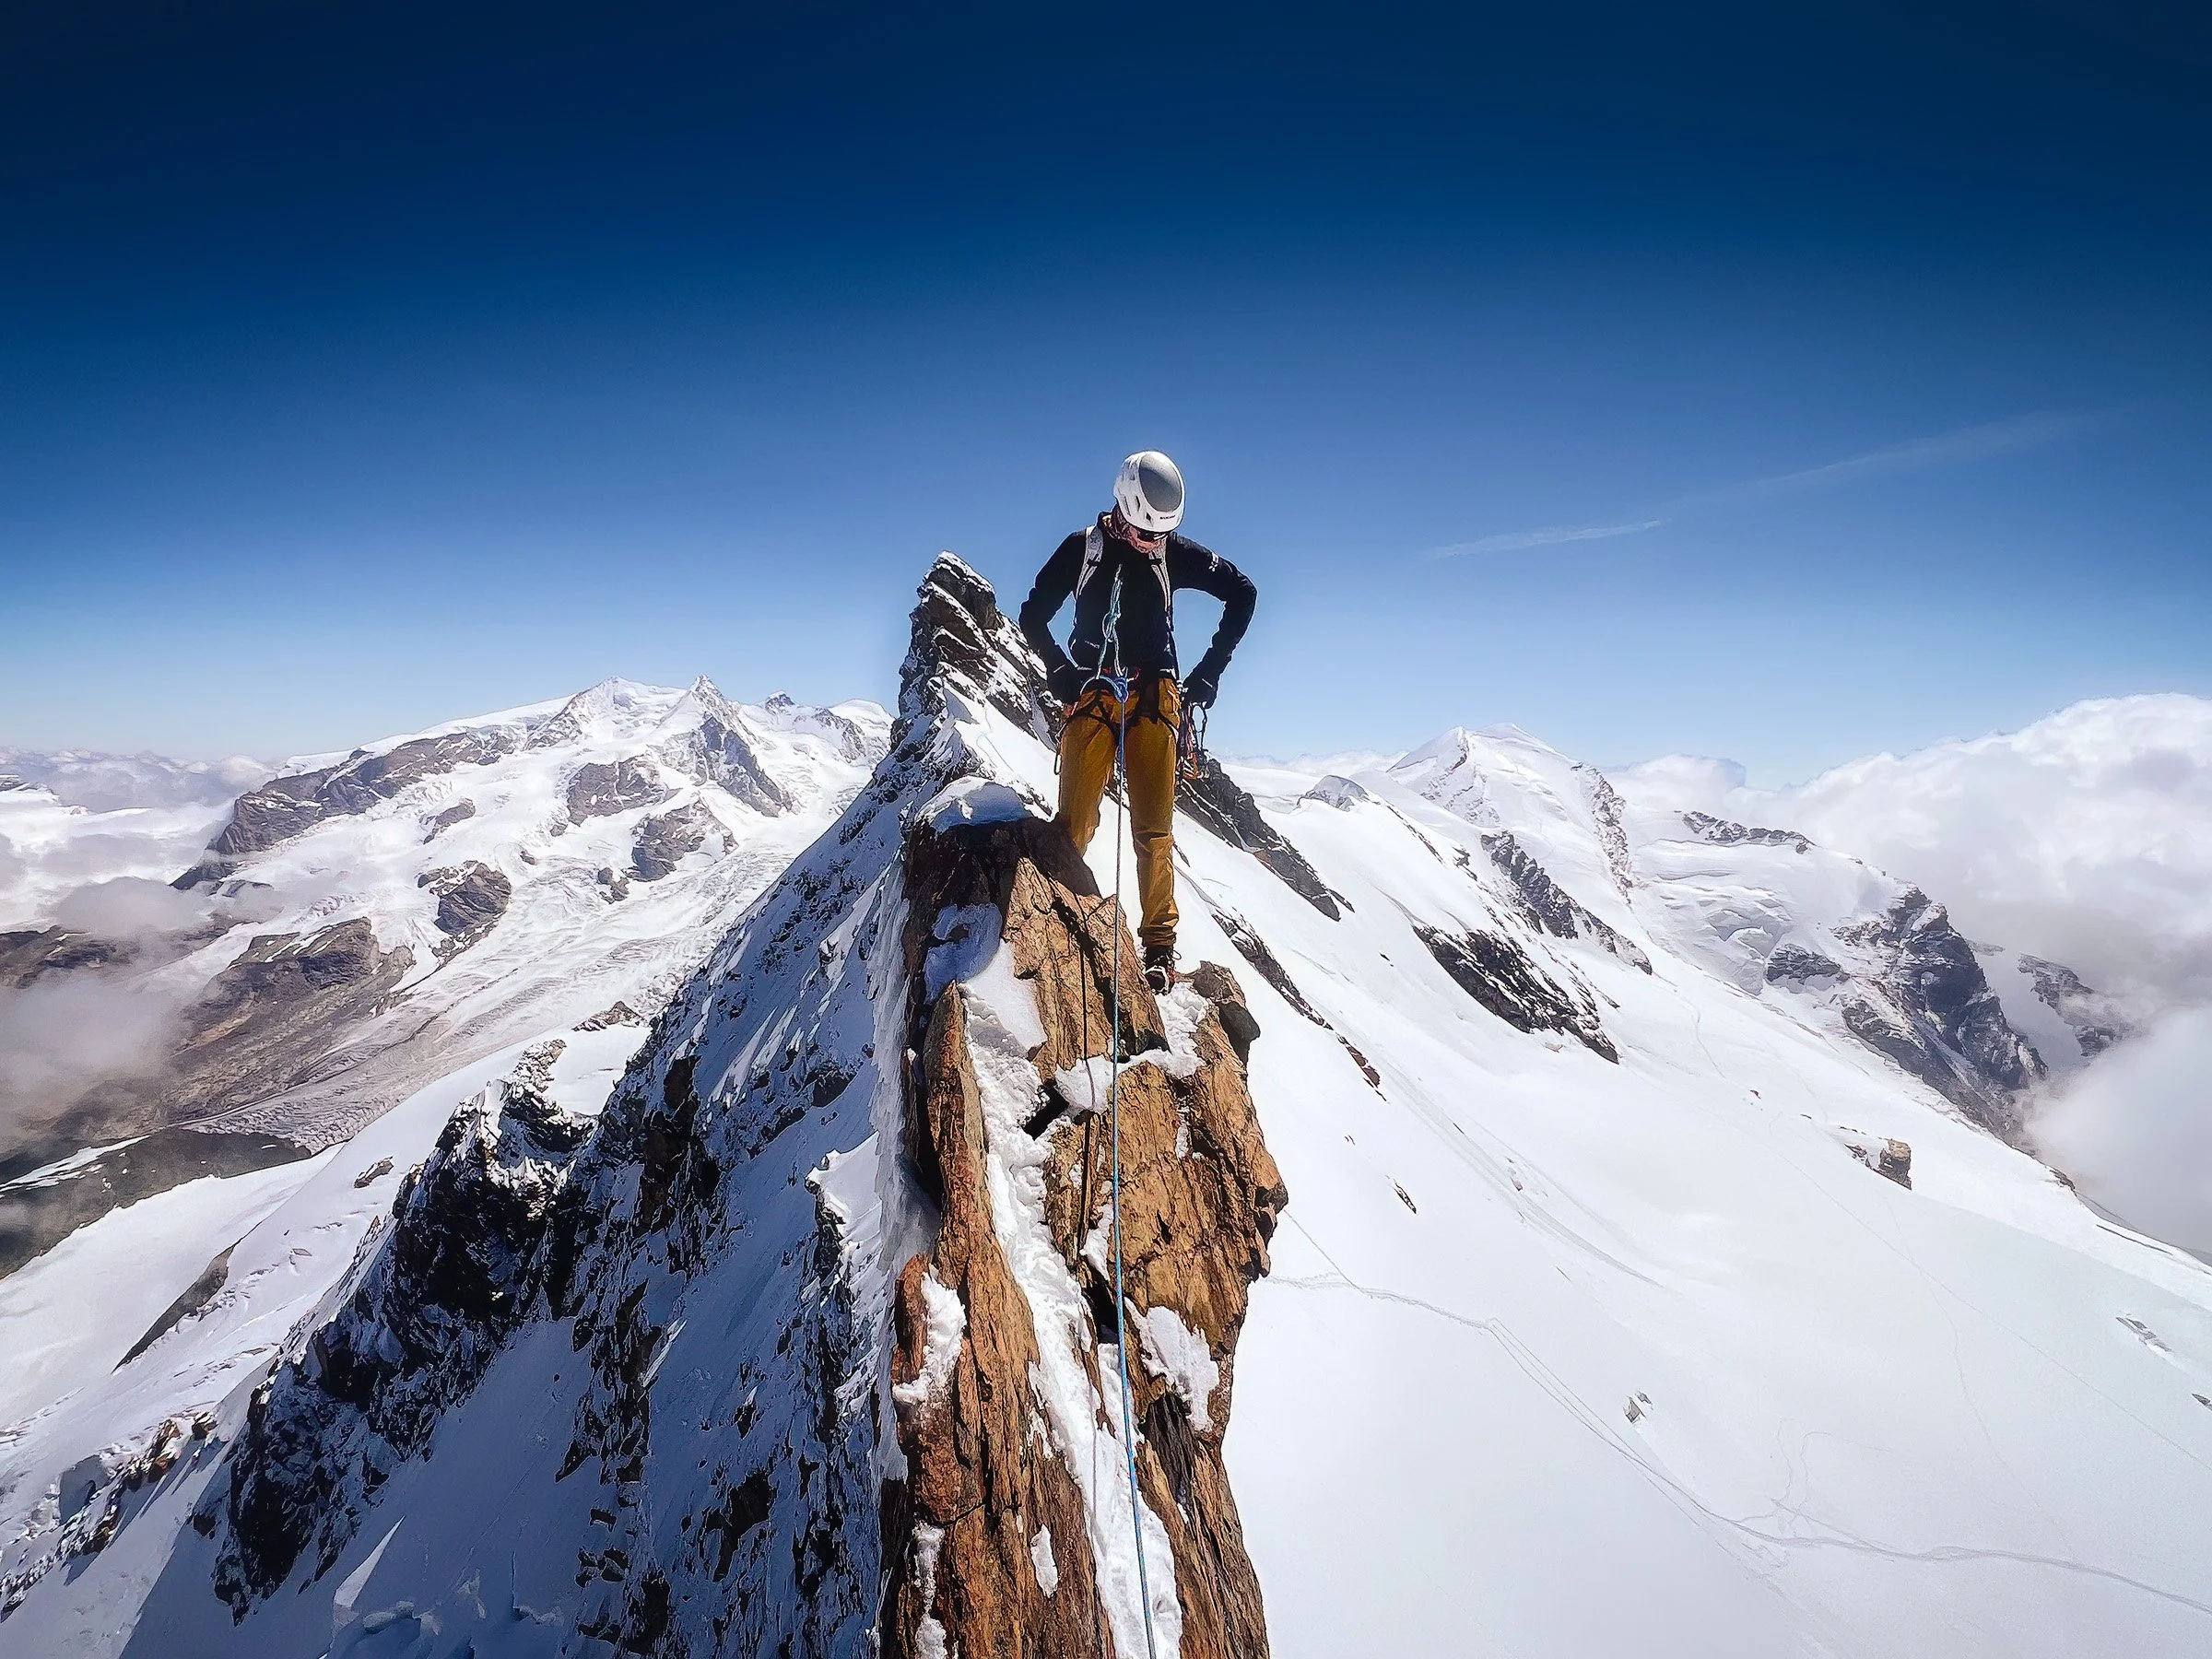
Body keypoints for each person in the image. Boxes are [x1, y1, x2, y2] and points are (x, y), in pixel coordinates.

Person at [1019, 451, 1256, 993]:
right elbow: (1033, 614)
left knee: (1154, 829)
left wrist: (1210, 671)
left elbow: (1244, 593)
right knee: (1074, 820)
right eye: (1144, 534)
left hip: (1154, 692)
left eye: (1161, 537)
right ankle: (1063, 908)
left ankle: (1158, 949)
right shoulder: (1082, 550)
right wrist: (1059, 669)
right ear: (1121, 509)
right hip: (1093, 688)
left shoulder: (1171, 551)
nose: (1154, 545)